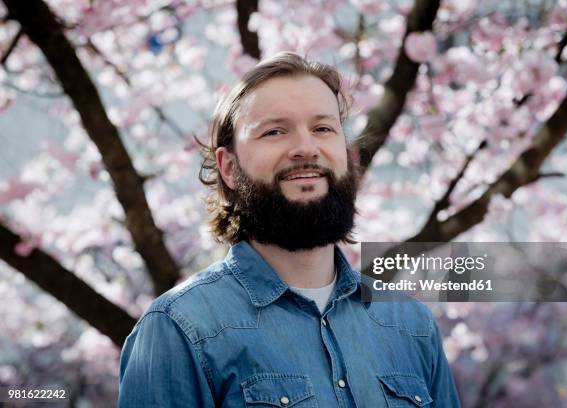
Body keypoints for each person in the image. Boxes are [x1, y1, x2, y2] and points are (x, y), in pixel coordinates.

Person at [118, 52, 460, 407]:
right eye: (274, 131)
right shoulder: (178, 329)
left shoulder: (412, 325)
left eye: (323, 129)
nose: (305, 148)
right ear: (229, 167)